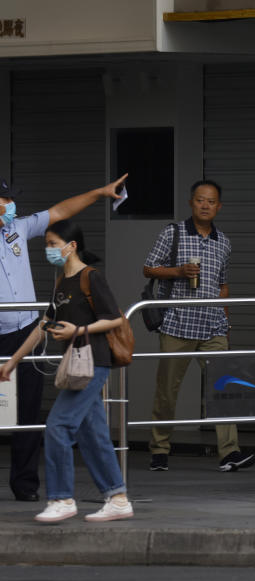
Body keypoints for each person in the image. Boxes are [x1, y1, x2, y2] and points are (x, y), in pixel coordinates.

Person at [0, 173, 126, 502]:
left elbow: (61, 211)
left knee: (28, 410)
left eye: (11, 201)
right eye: (5, 201)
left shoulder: (18, 227)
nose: (11, 206)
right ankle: (111, 496)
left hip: (26, 329)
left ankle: (26, 485)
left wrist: (99, 192)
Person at [144, 180, 255, 473]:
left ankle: (229, 452)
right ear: (191, 203)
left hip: (213, 326)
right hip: (178, 324)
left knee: (225, 388)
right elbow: (149, 267)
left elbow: (223, 285)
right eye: (200, 200)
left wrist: (226, 320)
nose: (205, 205)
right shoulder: (173, 233)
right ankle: (159, 450)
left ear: (219, 206)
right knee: (167, 391)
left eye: (211, 201)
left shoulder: (224, 241)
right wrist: (178, 271)